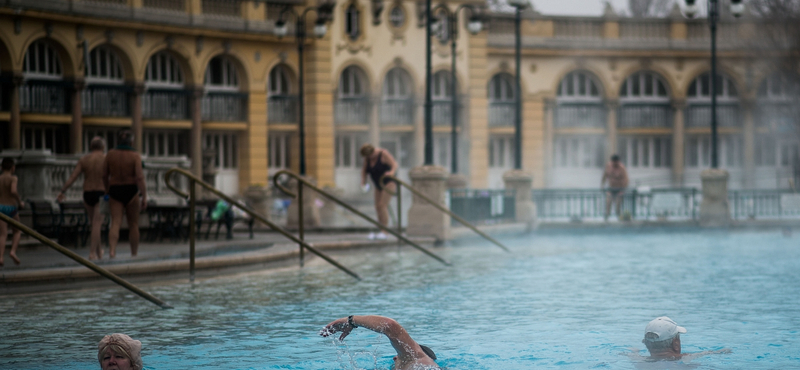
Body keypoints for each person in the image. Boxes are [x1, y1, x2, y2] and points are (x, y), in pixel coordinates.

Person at [320, 315, 439, 370]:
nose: (394, 358)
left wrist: (351, 321)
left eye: (398, 354)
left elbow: (389, 325)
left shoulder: (413, 357)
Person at [57, 136, 107, 260]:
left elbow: (73, 176)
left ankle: (99, 252)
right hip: (101, 192)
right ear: (103, 147)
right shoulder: (106, 159)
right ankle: (92, 253)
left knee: (94, 224)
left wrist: (62, 190)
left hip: (88, 193)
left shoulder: (84, 159)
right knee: (97, 224)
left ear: (91, 147)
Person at [103, 130, 147, 258]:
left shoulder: (110, 154)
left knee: (115, 222)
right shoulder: (135, 155)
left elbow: (104, 175)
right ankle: (134, 253)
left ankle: (112, 251)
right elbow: (139, 177)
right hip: (131, 190)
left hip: (115, 188)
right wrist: (144, 196)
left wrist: (107, 189)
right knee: (133, 224)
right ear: (132, 141)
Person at [630, 316, 730, 361]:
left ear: (646, 344)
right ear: (675, 344)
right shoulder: (686, 359)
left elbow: (634, 355)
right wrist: (722, 351)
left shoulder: (638, 360)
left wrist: (635, 352)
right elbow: (709, 353)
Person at [360, 144, 398, 240]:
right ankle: (380, 229)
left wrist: (391, 172)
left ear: (373, 152)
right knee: (377, 207)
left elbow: (394, 164)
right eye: (367, 157)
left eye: (371, 155)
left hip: (388, 182)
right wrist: (363, 182)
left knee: (382, 205)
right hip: (378, 185)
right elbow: (364, 171)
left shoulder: (383, 154)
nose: (370, 158)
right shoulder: (367, 159)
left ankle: (385, 232)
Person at [0, 158, 24, 266]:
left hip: (1, 208)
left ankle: (0, 257)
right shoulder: (13, 178)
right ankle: (13, 251)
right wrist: (20, 202)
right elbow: (13, 191)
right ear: (12, 168)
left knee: (2, 234)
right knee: (17, 231)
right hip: (11, 208)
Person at [601, 154, 629, 221]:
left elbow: (626, 179)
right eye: (613, 162)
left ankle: (618, 216)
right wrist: (602, 185)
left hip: (619, 189)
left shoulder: (622, 168)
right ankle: (607, 216)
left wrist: (623, 189)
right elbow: (604, 176)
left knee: (618, 204)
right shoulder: (608, 166)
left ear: (618, 161)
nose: (614, 163)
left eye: (616, 162)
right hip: (611, 189)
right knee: (608, 202)